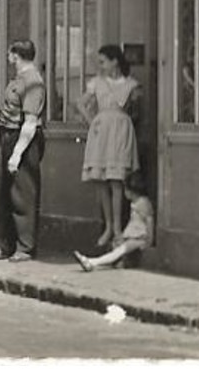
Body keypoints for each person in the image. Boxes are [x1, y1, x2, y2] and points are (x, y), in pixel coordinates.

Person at [0, 39, 45, 262]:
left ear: (15, 55)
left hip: (23, 139)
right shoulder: (19, 80)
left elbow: (30, 123)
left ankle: (25, 247)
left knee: (23, 194)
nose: (8, 57)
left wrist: (17, 154)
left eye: (10, 54)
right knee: (6, 194)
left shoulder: (33, 82)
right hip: (9, 135)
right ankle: (6, 244)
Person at [80, 44, 142, 249]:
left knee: (116, 181)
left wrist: (124, 120)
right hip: (101, 132)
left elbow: (137, 110)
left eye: (102, 61)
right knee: (101, 180)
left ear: (115, 61)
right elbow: (80, 103)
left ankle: (116, 228)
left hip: (120, 132)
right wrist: (93, 121)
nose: (100, 66)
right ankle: (108, 226)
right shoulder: (96, 83)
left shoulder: (130, 84)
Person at [74, 173, 154, 271]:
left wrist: (149, 241)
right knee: (116, 246)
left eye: (125, 189)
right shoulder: (135, 203)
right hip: (133, 237)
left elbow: (149, 222)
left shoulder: (143, 203)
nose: (124, 192)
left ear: (131, 191)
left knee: (120, 250)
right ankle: (119, 263)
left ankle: (92, 262)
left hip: (139, 238)